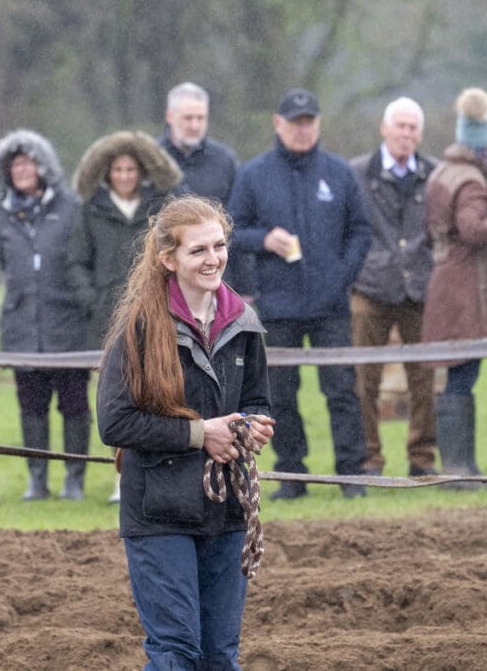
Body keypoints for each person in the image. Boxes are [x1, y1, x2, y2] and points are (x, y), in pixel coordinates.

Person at [96, 196, 274, 669]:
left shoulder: (244, 323)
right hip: (159, 510)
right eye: (198, 250)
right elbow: (114, 423)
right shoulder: (138, 328)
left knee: (220, 654)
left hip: (226, 511)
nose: (213, 258)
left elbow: (256, 400)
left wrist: (251, 427)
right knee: (176, 650)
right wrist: (200, 435)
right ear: (168, 259)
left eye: (219, 246)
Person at [228, 88, 371, 500]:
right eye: (295, 123)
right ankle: (292, 474)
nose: (303, 130)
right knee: (280, 395)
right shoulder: (254, 175)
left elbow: (360, 230)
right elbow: (231, 229)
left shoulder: (339, 173)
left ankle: (351, 474)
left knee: (342, 390)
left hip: (331, 307)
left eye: (309, 122)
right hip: (278, 305)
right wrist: (263, 238)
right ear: (278, 124)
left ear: (318, 124)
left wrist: (342, 275)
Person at [68, 129, 183, 503]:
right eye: (117, 169)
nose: (124, 176)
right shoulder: (91, 211)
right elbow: (76, 263)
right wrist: (94, 299)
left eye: (130, 169)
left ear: (141, 172)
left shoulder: (159, 208)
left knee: (155, 393)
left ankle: (154, 473)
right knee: (116, 400)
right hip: (106, 320)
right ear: (107, 173)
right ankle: (121, 476)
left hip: (155, 316)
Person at [421, 88, 487, 481]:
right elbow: (474, 230)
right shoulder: (470, 181)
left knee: (458, 373)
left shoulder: (442, 171)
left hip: (445, 282)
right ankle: (460, 468)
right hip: (465, 290)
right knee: (462, 374)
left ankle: (460, 466)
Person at [0, 130, 91, 501]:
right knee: (31, 405)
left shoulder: (71, 207)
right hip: (21, 324)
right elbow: (3, 263)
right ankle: (36, 478)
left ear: (43, 165)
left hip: (67, 323)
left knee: (74, 404)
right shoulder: (4, 213)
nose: (22, 170)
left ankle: (74, 478)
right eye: (15, 164)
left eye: (28, 162)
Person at [349, 96, 439, 478]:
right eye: (399, 125)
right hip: (370, 288)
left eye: (412, 127)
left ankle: (422, 459)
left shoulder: (436, 175)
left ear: (420, 133)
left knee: (425, 379)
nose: (405, 133)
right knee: (364, 379)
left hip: (421, 288)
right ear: (384, 129)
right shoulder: (357, 173)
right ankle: (370, 459)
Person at [158, 82, 252, 295]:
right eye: (188, 118)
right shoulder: (152, 158)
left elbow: (237, 220)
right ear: (170, 116)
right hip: (164, 279)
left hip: (216, 279)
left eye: (200, 118)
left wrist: (245, 286)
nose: (194, 125)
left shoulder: (224, 160)